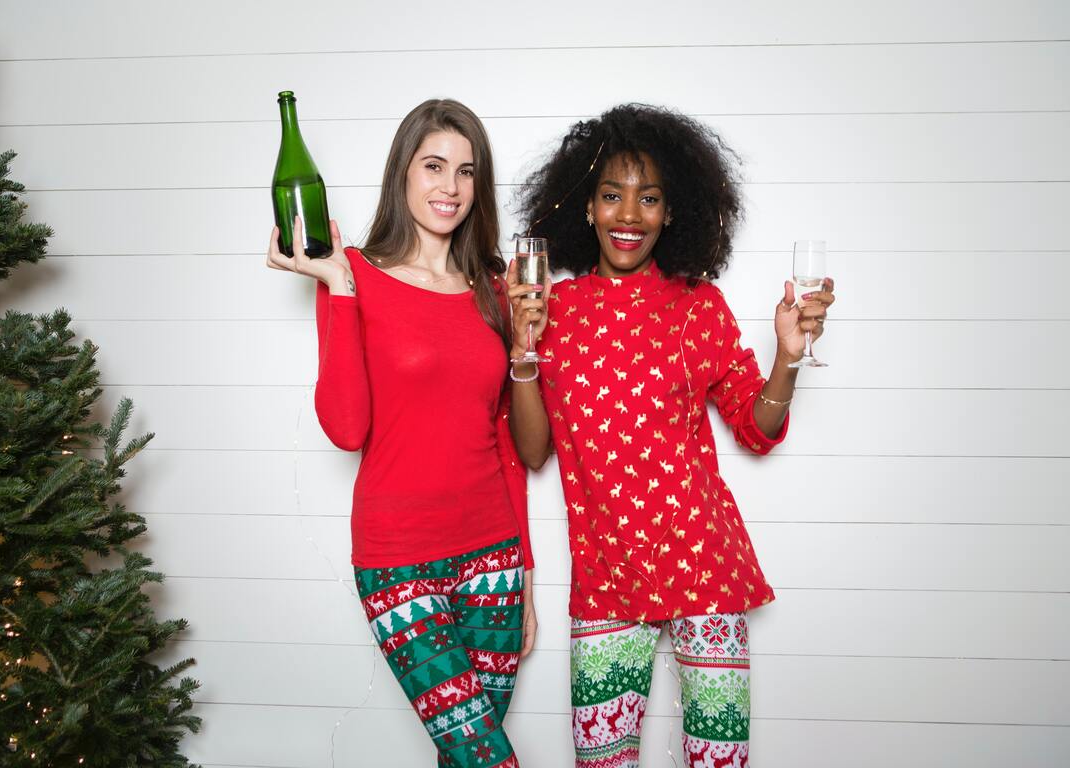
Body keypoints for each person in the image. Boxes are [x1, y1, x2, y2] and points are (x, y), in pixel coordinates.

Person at [505, 104, 835, 768]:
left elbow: (756, 427)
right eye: (612, 195)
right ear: (587, 209)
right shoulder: (553, 313)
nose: (630, 214)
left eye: (649, 198)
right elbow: (534, 452)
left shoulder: (696, 306)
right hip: (605, 575)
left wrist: (788, 353)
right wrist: (523, 348)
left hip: (706, 568)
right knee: (601, 761)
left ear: (671, 211)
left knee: (720, 760)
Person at [266, 98, 535, 768]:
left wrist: (525, 574)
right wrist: (337, 286)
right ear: (403, 175)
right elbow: (347, 427)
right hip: (398, 558)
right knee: (489, 760)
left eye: (466, 172)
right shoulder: (354, 272)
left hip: (494, 556)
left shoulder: (494, 288)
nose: (449, 186)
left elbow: (508, 447)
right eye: (434, 166)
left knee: (464, 760)